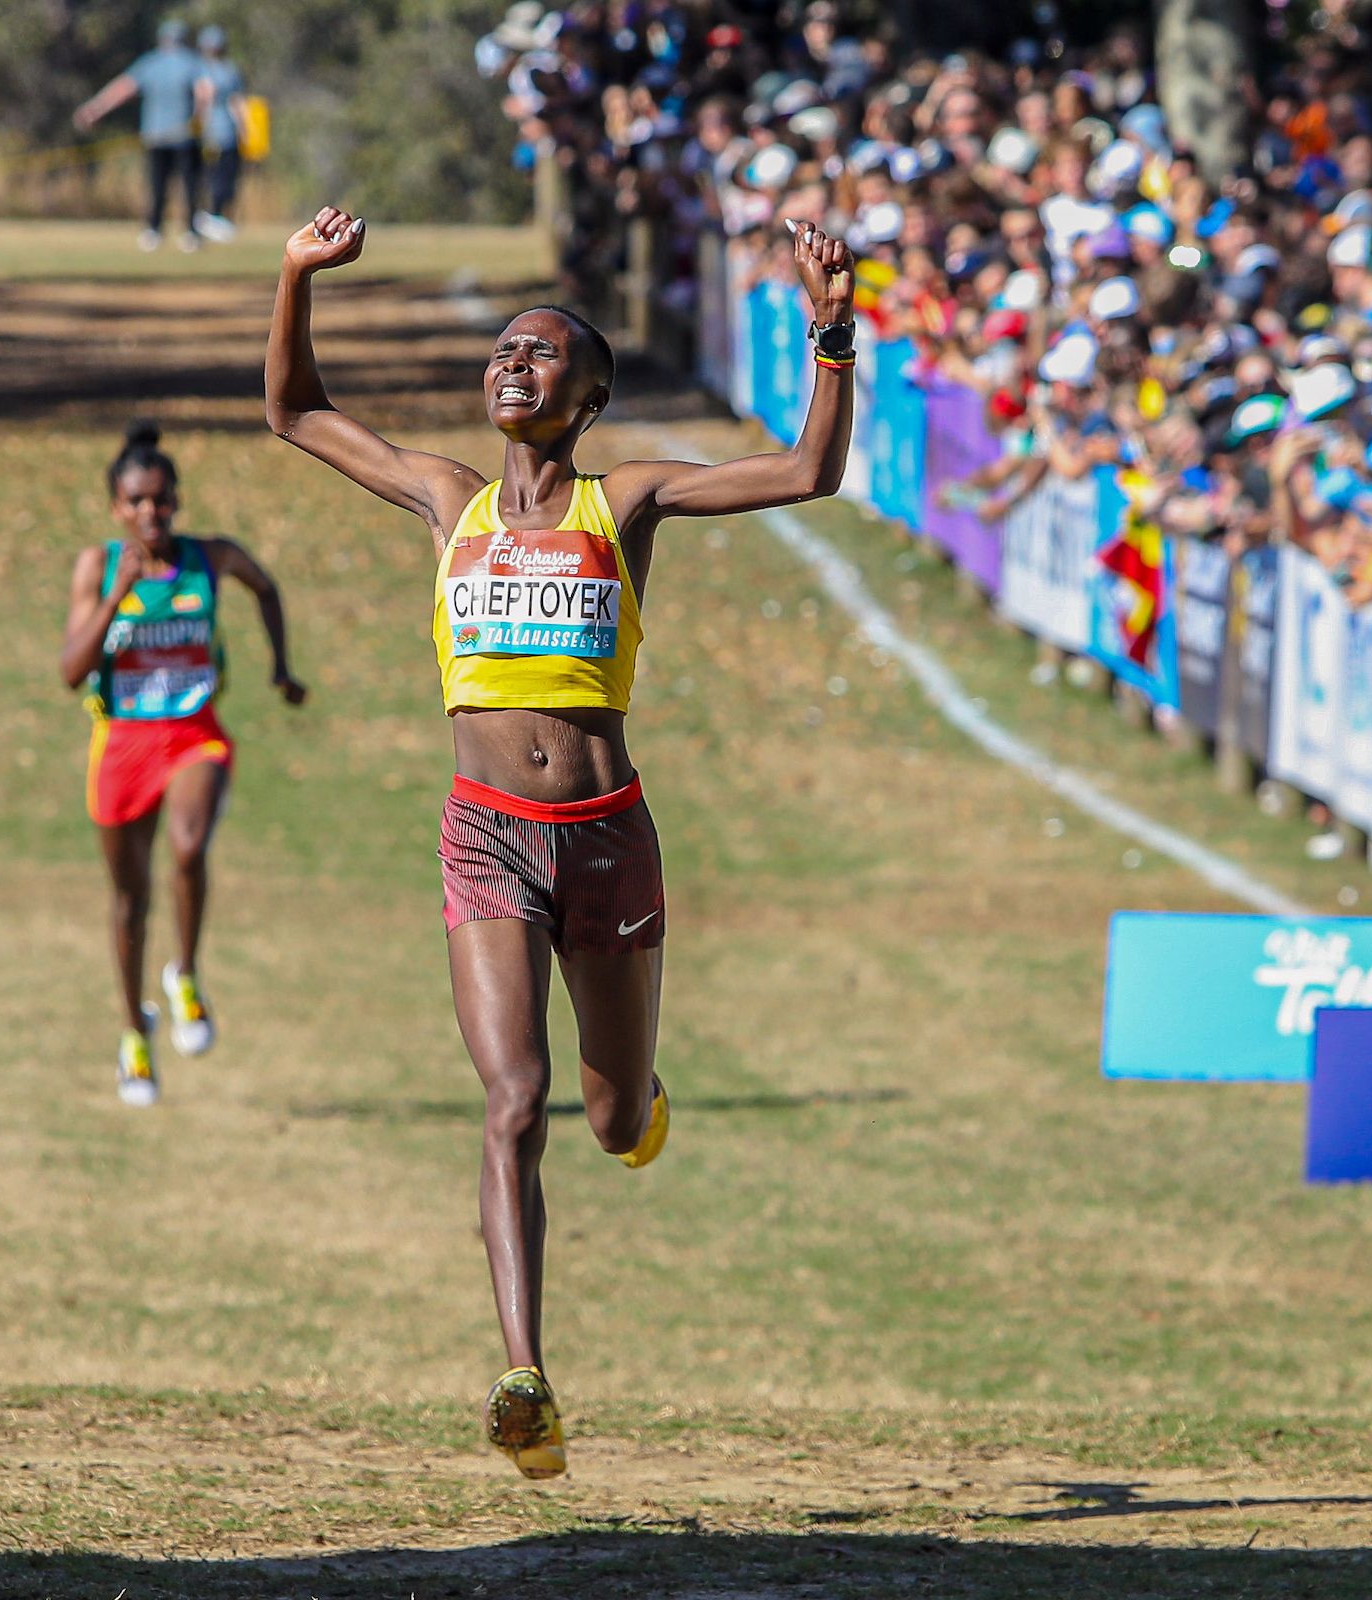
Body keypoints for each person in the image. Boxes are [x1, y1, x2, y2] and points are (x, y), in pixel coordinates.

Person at [264, 206, 854, 1479]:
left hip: (607, 840)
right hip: (488, 838)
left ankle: (642, 1107)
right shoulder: (446, 501)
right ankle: (524, 1371)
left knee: (607, 1113)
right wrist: (295, 277)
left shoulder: (622, 498)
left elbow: (806, 474)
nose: (509, 366)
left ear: (586, 395)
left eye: (539, 355)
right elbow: (297, 413)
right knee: (512, 1098)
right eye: (500, 354)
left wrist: (833, 336)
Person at [60, 421, 306, 1107]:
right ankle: (133, 1035)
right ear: (117, 506)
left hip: (193, 731)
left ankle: (186, 976)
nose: (151, 514)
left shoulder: (210, 558)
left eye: (162, 501)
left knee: (190, 846)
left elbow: (266, 587)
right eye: (137, 502)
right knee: (129, 900)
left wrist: (281, 669)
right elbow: (69, 670)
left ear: (176, 500)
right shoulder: (99, 567)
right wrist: (117, 597)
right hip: (123, 743)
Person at [75, 18, 208, 253]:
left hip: (156, 135)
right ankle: (190, 233)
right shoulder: (192, 63)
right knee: (189, 186)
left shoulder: (151, 63)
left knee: (157, 185)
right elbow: (204, 93)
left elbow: (122, 89)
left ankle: (153, 231)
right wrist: (200, 120)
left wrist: (94, 109)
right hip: (184, 136)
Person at [192, 26, 249, 244]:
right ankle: (207, 219)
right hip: (209, 135)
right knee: (210, 179)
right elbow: (201, 103)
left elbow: (237, 103)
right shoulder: (199, 70)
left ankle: (221, 219)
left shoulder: (229, 70)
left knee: (227, 179)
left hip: (227, 133)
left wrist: (243, 130)